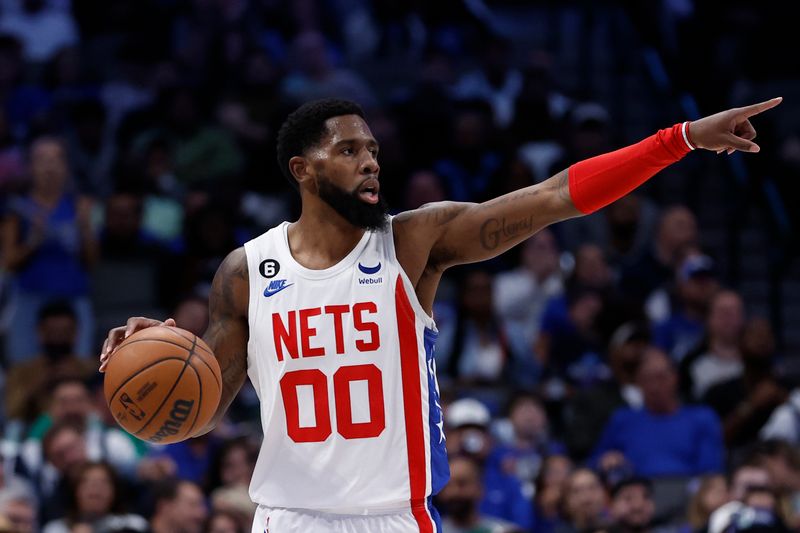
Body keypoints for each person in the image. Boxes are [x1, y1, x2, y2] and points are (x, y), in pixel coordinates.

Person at [100, 96, 782, 532]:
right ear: (302, 171)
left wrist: (680, 138)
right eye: (349, 150)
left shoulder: (414, 241)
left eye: (372, 149)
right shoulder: (249, 269)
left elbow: (551, 199)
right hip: (289, 517)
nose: (371, 163)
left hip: (398, 515)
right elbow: (202, 405)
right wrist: (165, 350)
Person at [592, 347, 724, 478]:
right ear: (638, 382)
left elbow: (710, 472)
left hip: (689, 493)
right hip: (636, 493)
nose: (654, 386)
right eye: (647, 379)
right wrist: (606, 461)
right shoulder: (622, 420)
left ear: (675, 378)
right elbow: (593, 463)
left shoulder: (702, 418)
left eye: (660, 377)